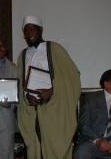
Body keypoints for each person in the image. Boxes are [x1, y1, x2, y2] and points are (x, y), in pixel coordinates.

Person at [17, 15, 81, 159]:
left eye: (33, 29)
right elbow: (21, 83)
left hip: (55, 111)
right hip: (32, 113)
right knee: (35, 151)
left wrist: (52, 91)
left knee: (56, 151)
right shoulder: (23, 55)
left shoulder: (55, 49)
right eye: (26, 30)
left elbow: (72, 77)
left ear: (40, 30)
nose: (30, 33)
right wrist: (27, 97)